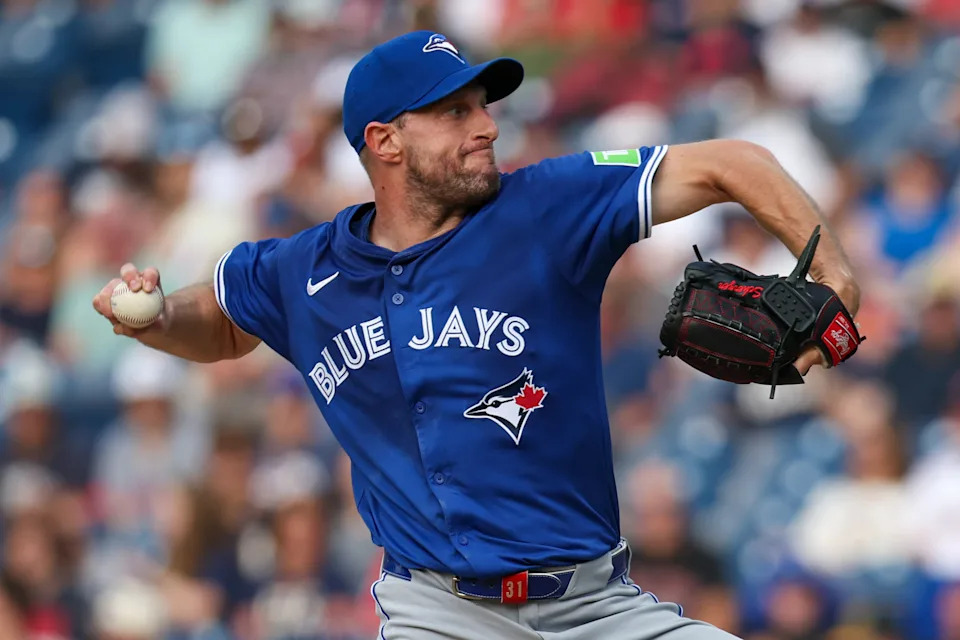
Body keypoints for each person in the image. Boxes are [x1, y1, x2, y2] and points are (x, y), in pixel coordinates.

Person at [93, 30, 860, 640]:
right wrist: (158, 318)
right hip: (439, 616)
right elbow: (221, 324)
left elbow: (735, 162)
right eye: (455, 111)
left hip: (596, 609)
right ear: (385, 141)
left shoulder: (547, 209)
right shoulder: (303, 270)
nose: (487, 126)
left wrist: (833, 271)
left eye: (483, 106)